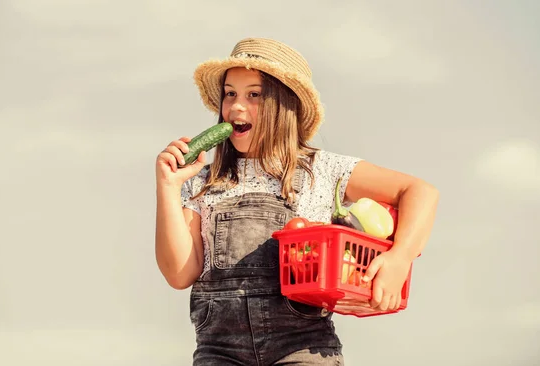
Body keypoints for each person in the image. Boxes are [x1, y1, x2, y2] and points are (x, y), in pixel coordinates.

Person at [154, 37, 439, 365]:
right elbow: (179, 274)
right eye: (230, 93)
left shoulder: (324, 168)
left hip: (301, 348)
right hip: (219, 351)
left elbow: (420, 192)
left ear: (284, 105)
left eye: (254, 95)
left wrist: (400, 258)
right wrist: (167, 185)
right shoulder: (202, 181)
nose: (236, 107)